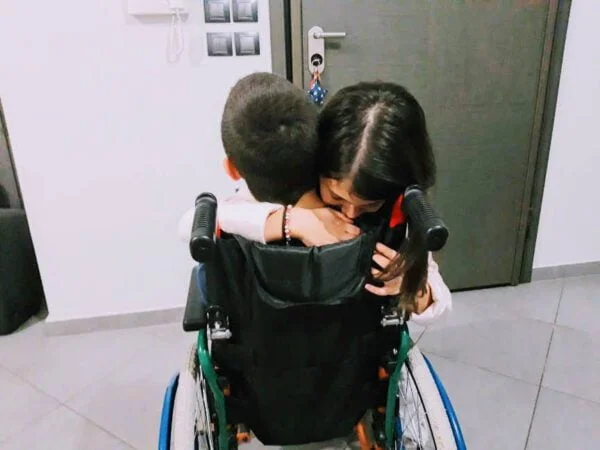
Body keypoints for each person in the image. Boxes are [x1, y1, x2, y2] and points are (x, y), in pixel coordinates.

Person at [182, 80, 452, 325]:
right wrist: (291, 221)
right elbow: (190, 224)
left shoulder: (399, 211)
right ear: (316, 160)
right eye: (336, 196)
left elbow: (439, 301)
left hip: (359, 351)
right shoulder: (279, 196)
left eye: (369, 204)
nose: (350, 213)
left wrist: (412, 289)